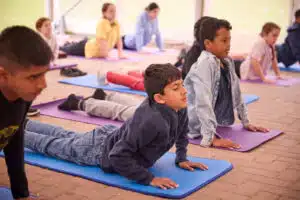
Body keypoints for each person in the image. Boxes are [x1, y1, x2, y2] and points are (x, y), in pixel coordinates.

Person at [24, 64, 208, 190]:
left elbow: (181, 133)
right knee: (51, 145)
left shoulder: (178, 107)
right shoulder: (152, 121)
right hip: (97, 151)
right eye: (176, 87)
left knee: (64, 134)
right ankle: (15, 133)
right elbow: (117, 155)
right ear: (159, 98)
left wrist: (181, 158)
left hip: (109, 136)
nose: (184, 91)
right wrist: (149, 179)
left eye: (182, 85)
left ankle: (25, 123)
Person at [184, 18, 269, 149]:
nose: (228, 45)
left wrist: (246, 122)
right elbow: (202, 101)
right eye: (224, 41)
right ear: (208, 43)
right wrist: (210, 138)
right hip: (192, 123)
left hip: (215, 120)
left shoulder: (227, 61)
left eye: (229, 40)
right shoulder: (204, 64)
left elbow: (236, 93)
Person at [0, 26, 53, 199]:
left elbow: (14, 139)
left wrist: (21, 193)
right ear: (3, 75)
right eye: (33, 77)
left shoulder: (24, 93)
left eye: (44, 74)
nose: (43, 85)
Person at [60, 3, 125, 59]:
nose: (114, 13)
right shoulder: (102, 23)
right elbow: (101, 41)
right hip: (87, 49)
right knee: (63, 49)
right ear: (104, 13)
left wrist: (120, 54)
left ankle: (69, 43)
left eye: (114, 11)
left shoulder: (116, 23)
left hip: (91, 43)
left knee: (71, 45)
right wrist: (107, 55)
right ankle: (66, 44)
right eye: (111, 11)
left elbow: (119, 40)